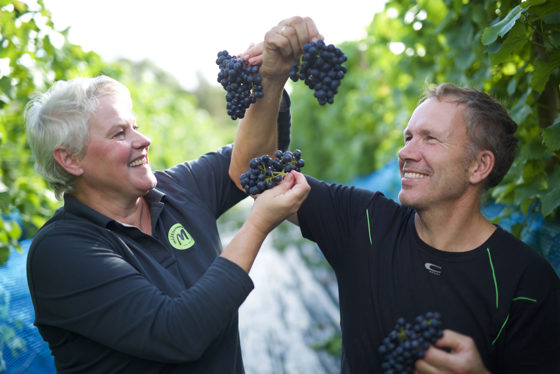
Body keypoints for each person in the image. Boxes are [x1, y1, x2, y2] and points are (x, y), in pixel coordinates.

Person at [24, 16, 318, 373]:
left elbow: (257, 165)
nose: (142, 140)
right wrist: (256, 226)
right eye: (119, 134)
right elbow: (176, 333)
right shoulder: (62, 251)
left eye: (137, 127)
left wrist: (271, 80)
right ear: (70, 159)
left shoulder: (177, 190)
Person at [231, 64, 560, 372]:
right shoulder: (365, 222)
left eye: (429, 138)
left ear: (479, 166)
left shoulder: (528, 283)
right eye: (408, 137)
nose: (404, 153)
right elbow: (254, 171)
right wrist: (272, 77)